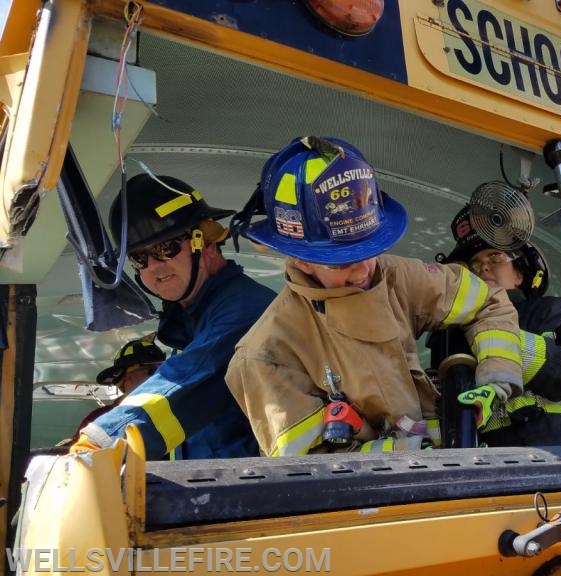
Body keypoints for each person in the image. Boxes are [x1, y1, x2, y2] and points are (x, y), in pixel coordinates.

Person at [225, 136, 523, 456]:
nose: (364, 270)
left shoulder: (394, 275)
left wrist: (496, 383)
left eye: (370, 247)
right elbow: (314, 471)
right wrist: (407, 453)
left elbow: (490, 302)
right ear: (300, 258)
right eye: (343, 261)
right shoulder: (264, 354)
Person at [72, 173, 276, 459]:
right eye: (139, 258)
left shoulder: (246, 311)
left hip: (258, 493)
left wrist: (99, 445)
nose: (154, 266)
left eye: (164, 248)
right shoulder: (189, 321)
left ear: (204, 241)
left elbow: (183, 386)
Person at [437, 205, 561, 446]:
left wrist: (492, 338)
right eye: (474, 264)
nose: (483, 267)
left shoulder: (550, 310)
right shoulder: (450, 336)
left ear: (519, 275)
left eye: (495, 258)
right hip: (486, 470)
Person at [58, 336, 166, 446]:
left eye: (164, 369)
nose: (161, 376)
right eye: (152, 371)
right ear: (128, 379)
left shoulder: (174, 410)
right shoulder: (99, 418)